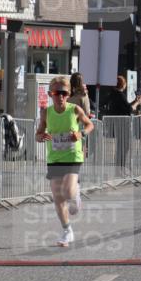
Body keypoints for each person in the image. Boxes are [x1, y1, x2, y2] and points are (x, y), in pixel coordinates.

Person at [35, 75, 95, 247]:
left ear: (68, 94)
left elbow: (90, 125)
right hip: (54, 157)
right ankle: (67, 231)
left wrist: (81, 134)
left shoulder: (74, 109)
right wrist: (40, 137)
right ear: (50, 94)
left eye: (64, 93)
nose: (60, 96)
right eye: (56, 93)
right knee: (57, 197)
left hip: (72, 156)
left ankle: (75, 192)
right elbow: (39, 133)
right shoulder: (46, 112)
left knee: (67, 193)